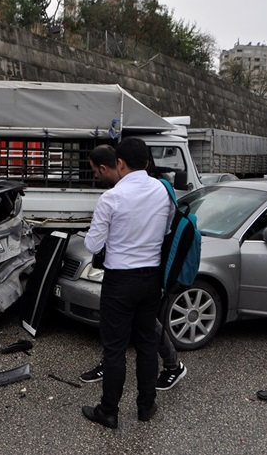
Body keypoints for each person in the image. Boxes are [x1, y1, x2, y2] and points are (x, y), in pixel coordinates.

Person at [81, 138, 175, 429]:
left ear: (119, 163)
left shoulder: (111, 198)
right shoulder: (162, 191)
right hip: (151, 280)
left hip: (119, 282)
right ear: (147, 162)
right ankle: (146, 407)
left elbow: (92, 243)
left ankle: (108, 411)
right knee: (147, 344)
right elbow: (169, 227)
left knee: (115, 349)